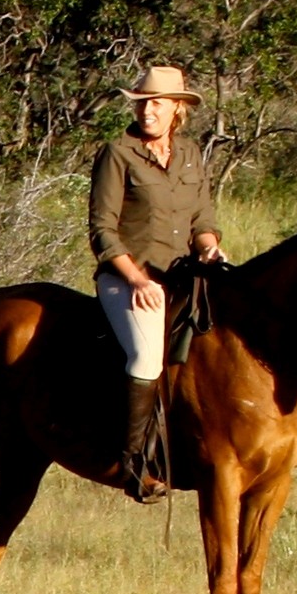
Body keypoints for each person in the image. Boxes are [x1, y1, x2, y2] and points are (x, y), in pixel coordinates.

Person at [89, 63, 224, 500]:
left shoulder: (190, 154)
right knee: (147, 357)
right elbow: (102, 230)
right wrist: (137, 279)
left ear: (177, 109)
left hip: (183, 277)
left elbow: (203, 220)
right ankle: (133, 463)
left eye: (157, 104)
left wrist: (209, 248)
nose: (147, 111)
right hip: (126, 279)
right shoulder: (117, 153)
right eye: (142, 103)